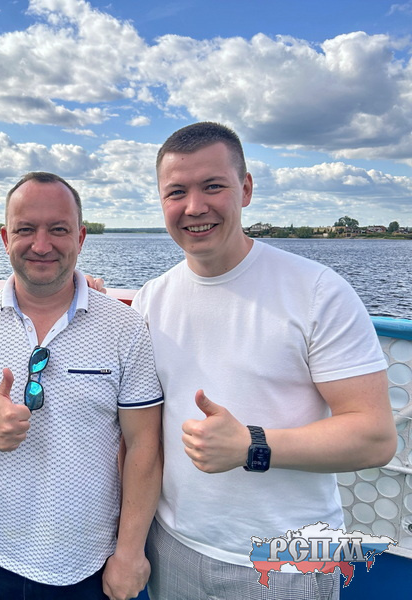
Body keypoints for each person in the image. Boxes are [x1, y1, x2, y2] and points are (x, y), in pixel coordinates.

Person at [132, 122, 396, 600]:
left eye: (213, 186)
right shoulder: (152, 298)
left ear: (246, 189)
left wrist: (252, 445)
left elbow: (375, 437)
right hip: (173, 546)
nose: (195, 206)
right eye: (176, 192)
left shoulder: (317, 291)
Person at [0, 172, 163, 600]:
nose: (41, 245)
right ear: (5, 238)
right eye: (25, 229)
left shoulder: (125, 328)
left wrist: (130, 552)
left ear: (81, 237)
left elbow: (144, 444)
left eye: (58, 229)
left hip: (89, 562)